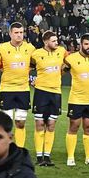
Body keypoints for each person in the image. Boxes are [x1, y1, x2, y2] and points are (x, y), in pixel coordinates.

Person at [63, 34, 89, 167]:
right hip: (76, 99)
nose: (88, 47)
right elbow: (60, 71)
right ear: (80, 44)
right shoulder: (71, 59)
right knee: (73, 127)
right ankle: (70, 157)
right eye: (86, 44)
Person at [29, 31, 67, 166]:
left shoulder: (62, 51)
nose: (57, 42)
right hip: (41, 93)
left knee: (51, 125)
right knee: (39, 124)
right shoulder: (36, 54)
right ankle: (39, 157)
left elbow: (70, 63)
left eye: (57, 40)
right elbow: (26, 68)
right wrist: (29, 80)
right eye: (54, 40)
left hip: (56, 93)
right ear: (45, 42)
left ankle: (47, 156)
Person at [0, 23, 36, 148]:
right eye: (16, 32)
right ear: (10, 34)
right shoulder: (1, 48)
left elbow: (35, 64)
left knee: (20, 122)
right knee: (6, 124)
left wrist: (25, 71)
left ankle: (19, 150)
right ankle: (5, 149)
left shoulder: (30, 48)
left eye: (21, 32)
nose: (19, 35)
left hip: (23, 89)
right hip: (7, 89)